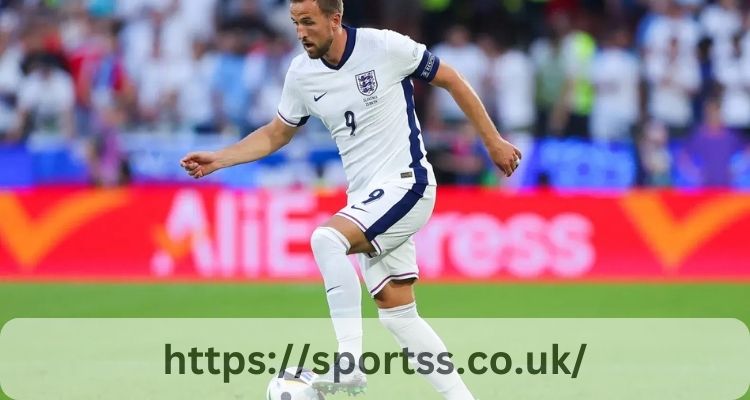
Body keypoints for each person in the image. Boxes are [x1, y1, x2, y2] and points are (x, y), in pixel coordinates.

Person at [180, 0, 521, 398]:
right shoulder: (302, 74)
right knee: (398, 315)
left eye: (308, 22)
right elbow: (277, 133)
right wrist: (220, 158)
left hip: (407, 184)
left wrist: (493, 141)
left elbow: (452, 79)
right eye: (295, 23)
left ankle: (349, 363)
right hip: (367, 197)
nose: (301, 32)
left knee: (327, 239)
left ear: (335, 19)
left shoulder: (384, 47)